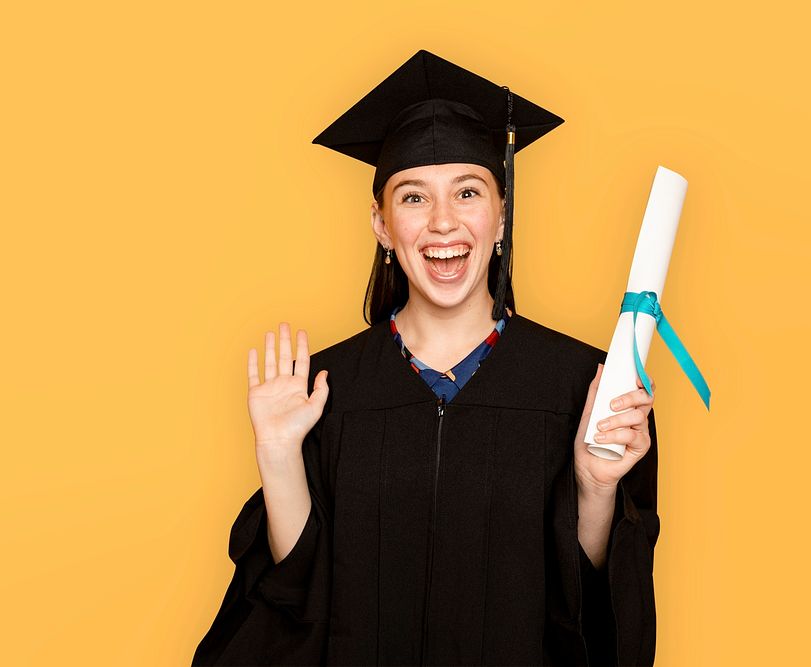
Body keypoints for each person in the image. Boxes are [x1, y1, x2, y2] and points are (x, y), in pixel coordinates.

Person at [193, 50, 660, 667]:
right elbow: (292, 601)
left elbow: (595, 614)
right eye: (413, 198)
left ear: (501, 217)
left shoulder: (582, 384)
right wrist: (280, 457)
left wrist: (596, 489)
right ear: (382, 225)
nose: (443, 223)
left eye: (468, 192)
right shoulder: (323, 391)